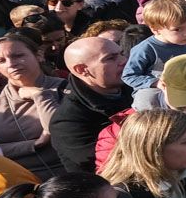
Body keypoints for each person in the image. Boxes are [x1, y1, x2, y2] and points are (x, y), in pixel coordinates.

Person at [0, 32, 65, 179]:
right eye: (1, 61)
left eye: (18, 56)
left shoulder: (67, 88)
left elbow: (62, 134)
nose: (11, 63)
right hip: (19, 181)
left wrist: (40, 95)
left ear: (39, 55)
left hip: (68, 173)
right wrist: (35, 144)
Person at [53, 34, 132, 174]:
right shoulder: (68, 121)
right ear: (82, 70)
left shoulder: (137, 91)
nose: (124, 61)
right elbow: (107, 162)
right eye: (110, 58)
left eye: (121, 53)